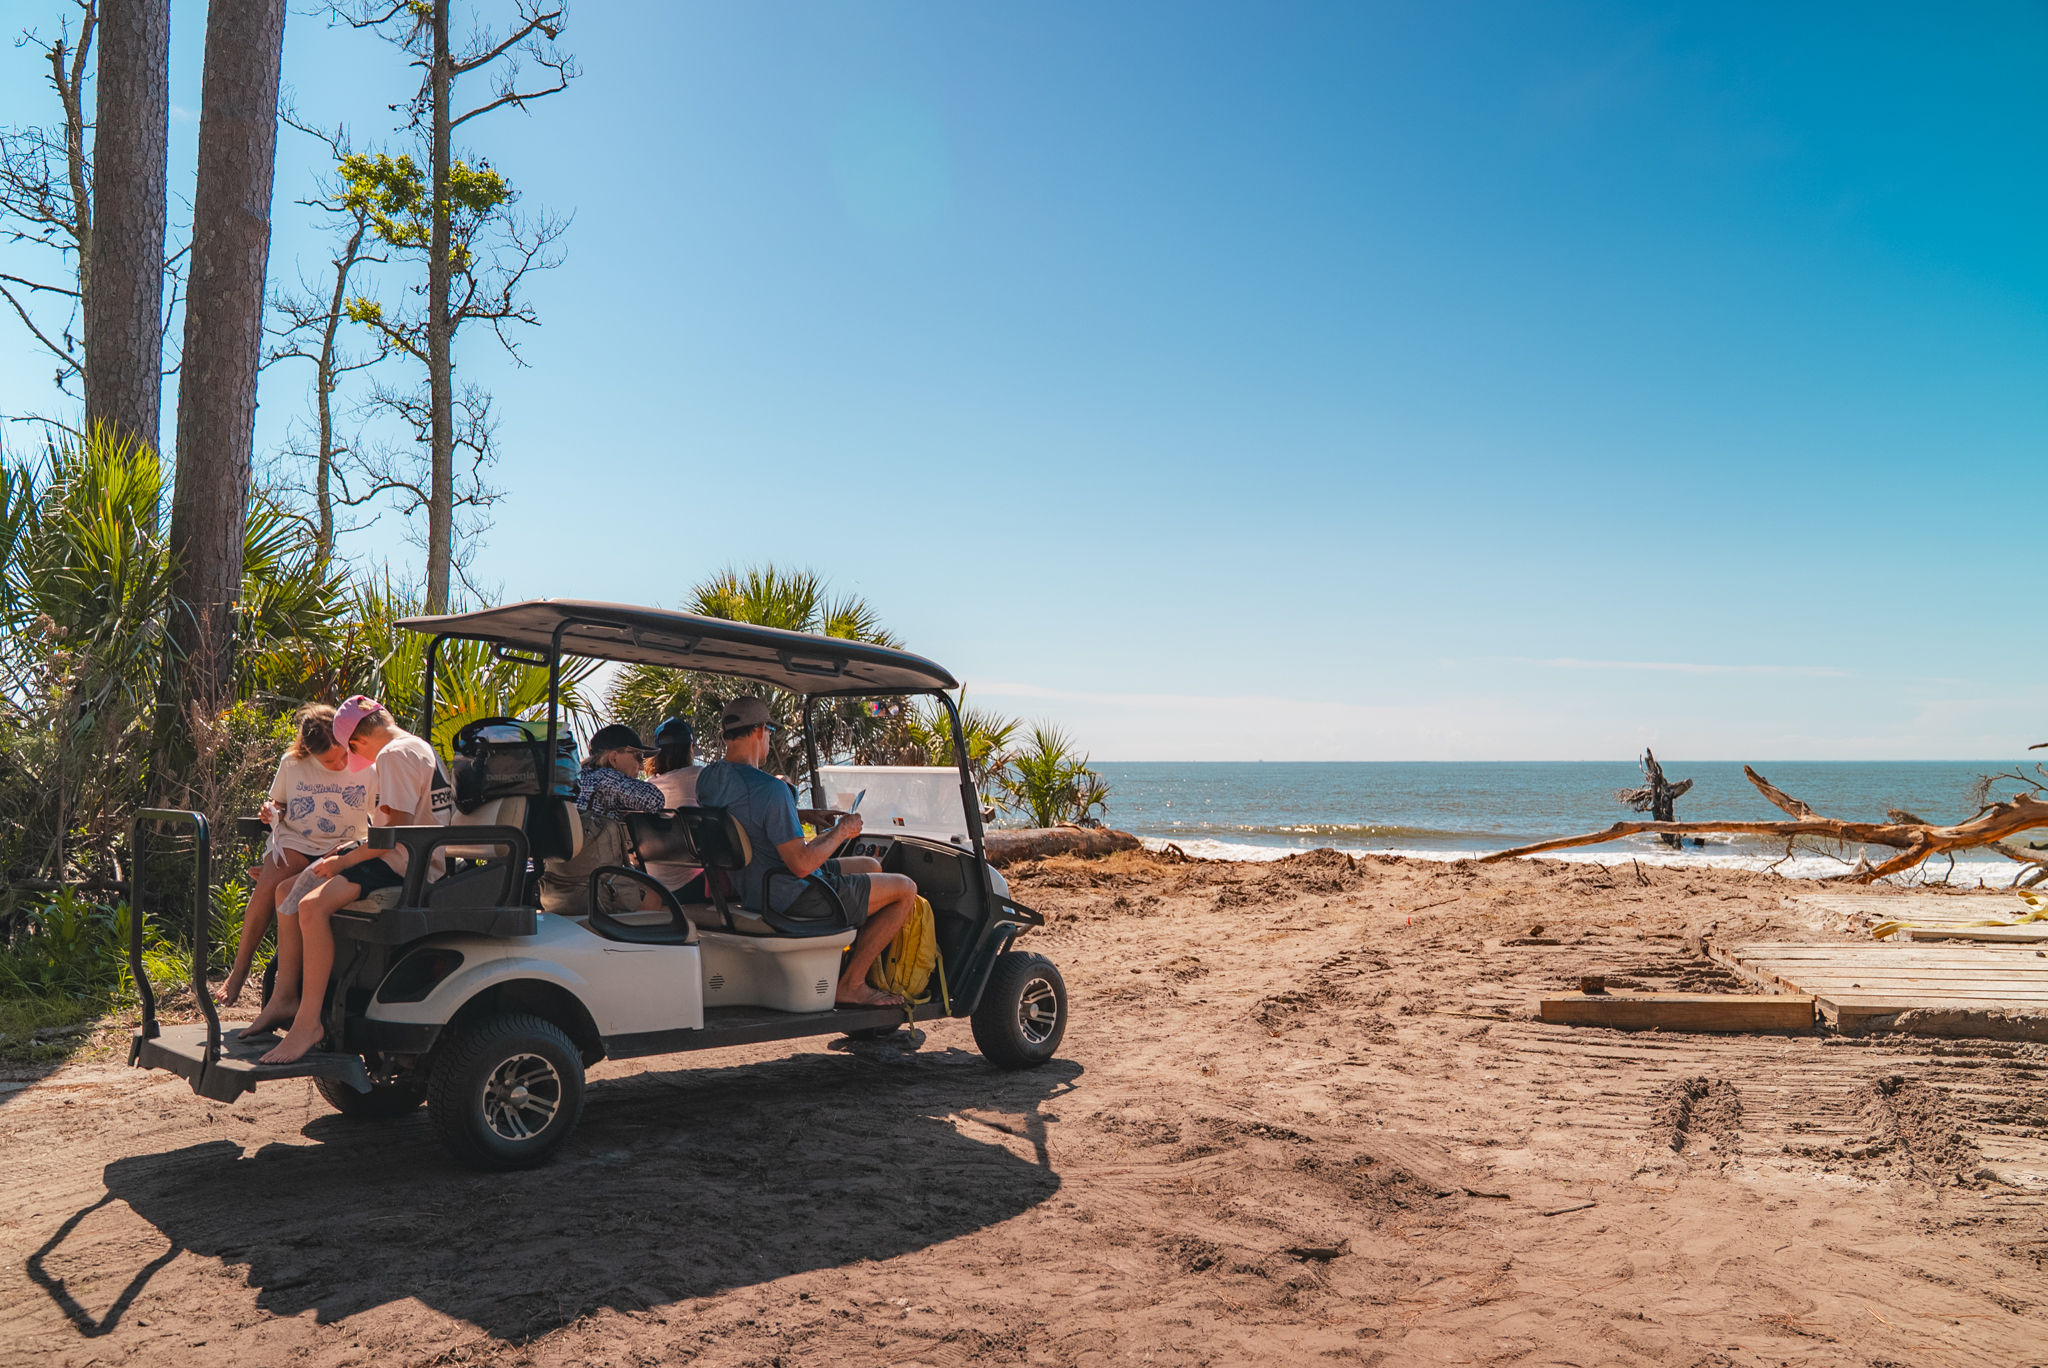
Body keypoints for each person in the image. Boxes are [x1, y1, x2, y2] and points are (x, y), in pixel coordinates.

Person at [247, 695, 451, 1064]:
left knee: (310, 906)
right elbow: (392, 829)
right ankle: (285, 998)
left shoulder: (393, 755)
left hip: (405, 865)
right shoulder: (419, 747)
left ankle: (308, 1023)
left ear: (354, 743)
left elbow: (395, 834)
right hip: (404, 857)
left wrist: (343, 862)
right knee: (287, 891)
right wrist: (344, 853)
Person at [695, 696, 916, 1007]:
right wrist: (843, 831)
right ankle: (851, 984)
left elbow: (743, 816)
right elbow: (800, 864)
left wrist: (802, 815)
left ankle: (842, 962)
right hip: (795, 896)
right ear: (761, 730)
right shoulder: (770, 789)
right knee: (906, 889)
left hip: (754, 888)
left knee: (870, 864)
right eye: (770, 732)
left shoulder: (709, 779)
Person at [216, 703, 371, 1006]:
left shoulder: (364, 764)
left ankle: (291, 988)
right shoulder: (292, 764)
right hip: (297, 840)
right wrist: (271, 810)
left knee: (281, 880)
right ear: (310, 754)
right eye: (330, 760)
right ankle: (240, 969)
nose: (340, 763)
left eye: (342, 755)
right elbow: (280, 804)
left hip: (341, 844)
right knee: (270, 882)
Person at [641, 716, 705, 897]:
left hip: (654, 885)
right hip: (690, 885)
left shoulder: (648, 785)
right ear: (689, 749)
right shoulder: (700, 776)